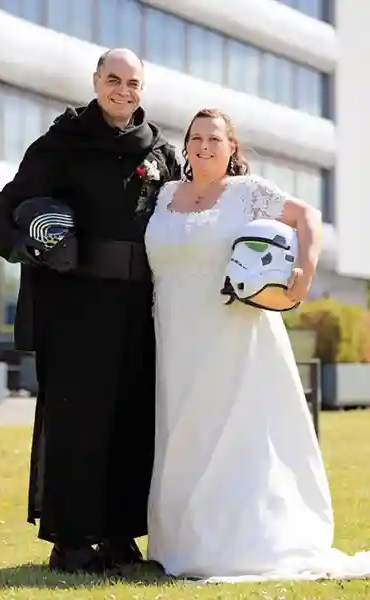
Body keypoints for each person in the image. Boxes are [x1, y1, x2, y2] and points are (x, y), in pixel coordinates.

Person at [145, 108, 370, 582]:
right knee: (182, 432)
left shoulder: (247, 192)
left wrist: (304, 274)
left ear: (231, 148)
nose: (204, 146)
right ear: (186, 146)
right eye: (196, 138)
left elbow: (307, 216)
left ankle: (244, 544)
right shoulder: (164, 195)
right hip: (175, 335)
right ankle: (183, 544)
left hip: (237, 334)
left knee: (235, 432)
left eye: (214, 138)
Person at [0, 48, 181, 574]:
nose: (123, 90)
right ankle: (71, 542)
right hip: (74, 308)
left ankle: (120, 537)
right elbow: (3, 210)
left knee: (133, 421)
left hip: (140, 310)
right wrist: (29, 246)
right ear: (96, 81)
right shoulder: (60, 144)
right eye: (113, 79)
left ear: (142, 89)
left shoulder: (161, 152)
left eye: (133, 83)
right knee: (78, 421)